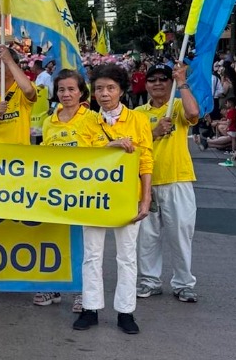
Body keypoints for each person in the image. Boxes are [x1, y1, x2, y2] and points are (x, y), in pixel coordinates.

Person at [72, 63, 153, 335]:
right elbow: (81, 160)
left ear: (121, 90)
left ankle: (125, 312)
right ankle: (90, 308)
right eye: (98, 89)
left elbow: (146, 161)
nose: (104, 94)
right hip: (93, 199)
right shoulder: (86, 122)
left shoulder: (138, 120)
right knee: (91, 255)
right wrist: (110, 145)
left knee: (127, 256)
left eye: (110, 88)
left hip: (128, 198)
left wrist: (146, 198)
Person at [40, 69, 109, 312]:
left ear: (81, 93)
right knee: (56, 239)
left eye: (71, 89)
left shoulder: (92, 118)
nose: (66, 94)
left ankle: (83, 292)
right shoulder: (48, 121)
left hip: (84, 193)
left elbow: (102, 152)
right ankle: (55, 286)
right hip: (56, 192)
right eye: (61, 89)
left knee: (83, 245)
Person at [135, 63, 199, 303]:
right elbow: (132, 145)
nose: (158, 83)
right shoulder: (138, 113)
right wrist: (154, 131)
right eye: (153, 79)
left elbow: (194, 114)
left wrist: (182, 82)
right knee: (147, 236)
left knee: (180, 234)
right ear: (146, 84)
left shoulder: (179, 105)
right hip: (145, 182)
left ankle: (183, 283)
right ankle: (150, 281)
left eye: (164, 79)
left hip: (177, 179)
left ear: (170, 83)